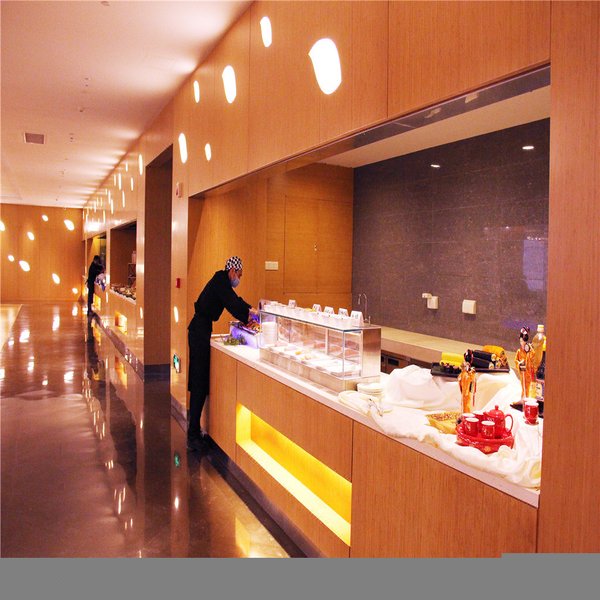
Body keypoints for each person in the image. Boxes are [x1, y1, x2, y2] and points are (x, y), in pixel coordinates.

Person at [187, 256, 257, 451]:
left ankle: (194, 429)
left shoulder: (221, 281)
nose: (239, 279)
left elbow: (235, 300)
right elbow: (232, 303)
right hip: (199, 331)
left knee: (199, 382)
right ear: (232, 271)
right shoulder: (220, 281)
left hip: (201, 329)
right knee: (199, 382)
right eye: (239, 275)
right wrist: (250, 315)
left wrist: (250, 310)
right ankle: (193, 433)